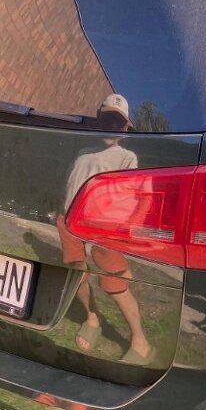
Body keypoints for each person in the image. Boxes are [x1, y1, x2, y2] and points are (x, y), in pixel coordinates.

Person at [55, 94, 152, 364]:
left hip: (105, 233)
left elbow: (144, 195)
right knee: (78, 276)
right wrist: (59, 213)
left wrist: (130, 228)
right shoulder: (83, 152)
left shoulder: (127, 157)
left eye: (117, 122)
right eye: (107, 118)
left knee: (115, 285)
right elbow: (69, 183)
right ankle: (92, 317)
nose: (111, 126)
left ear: (125, 128)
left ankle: (140, 341)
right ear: (99, 120)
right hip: (69, 223)